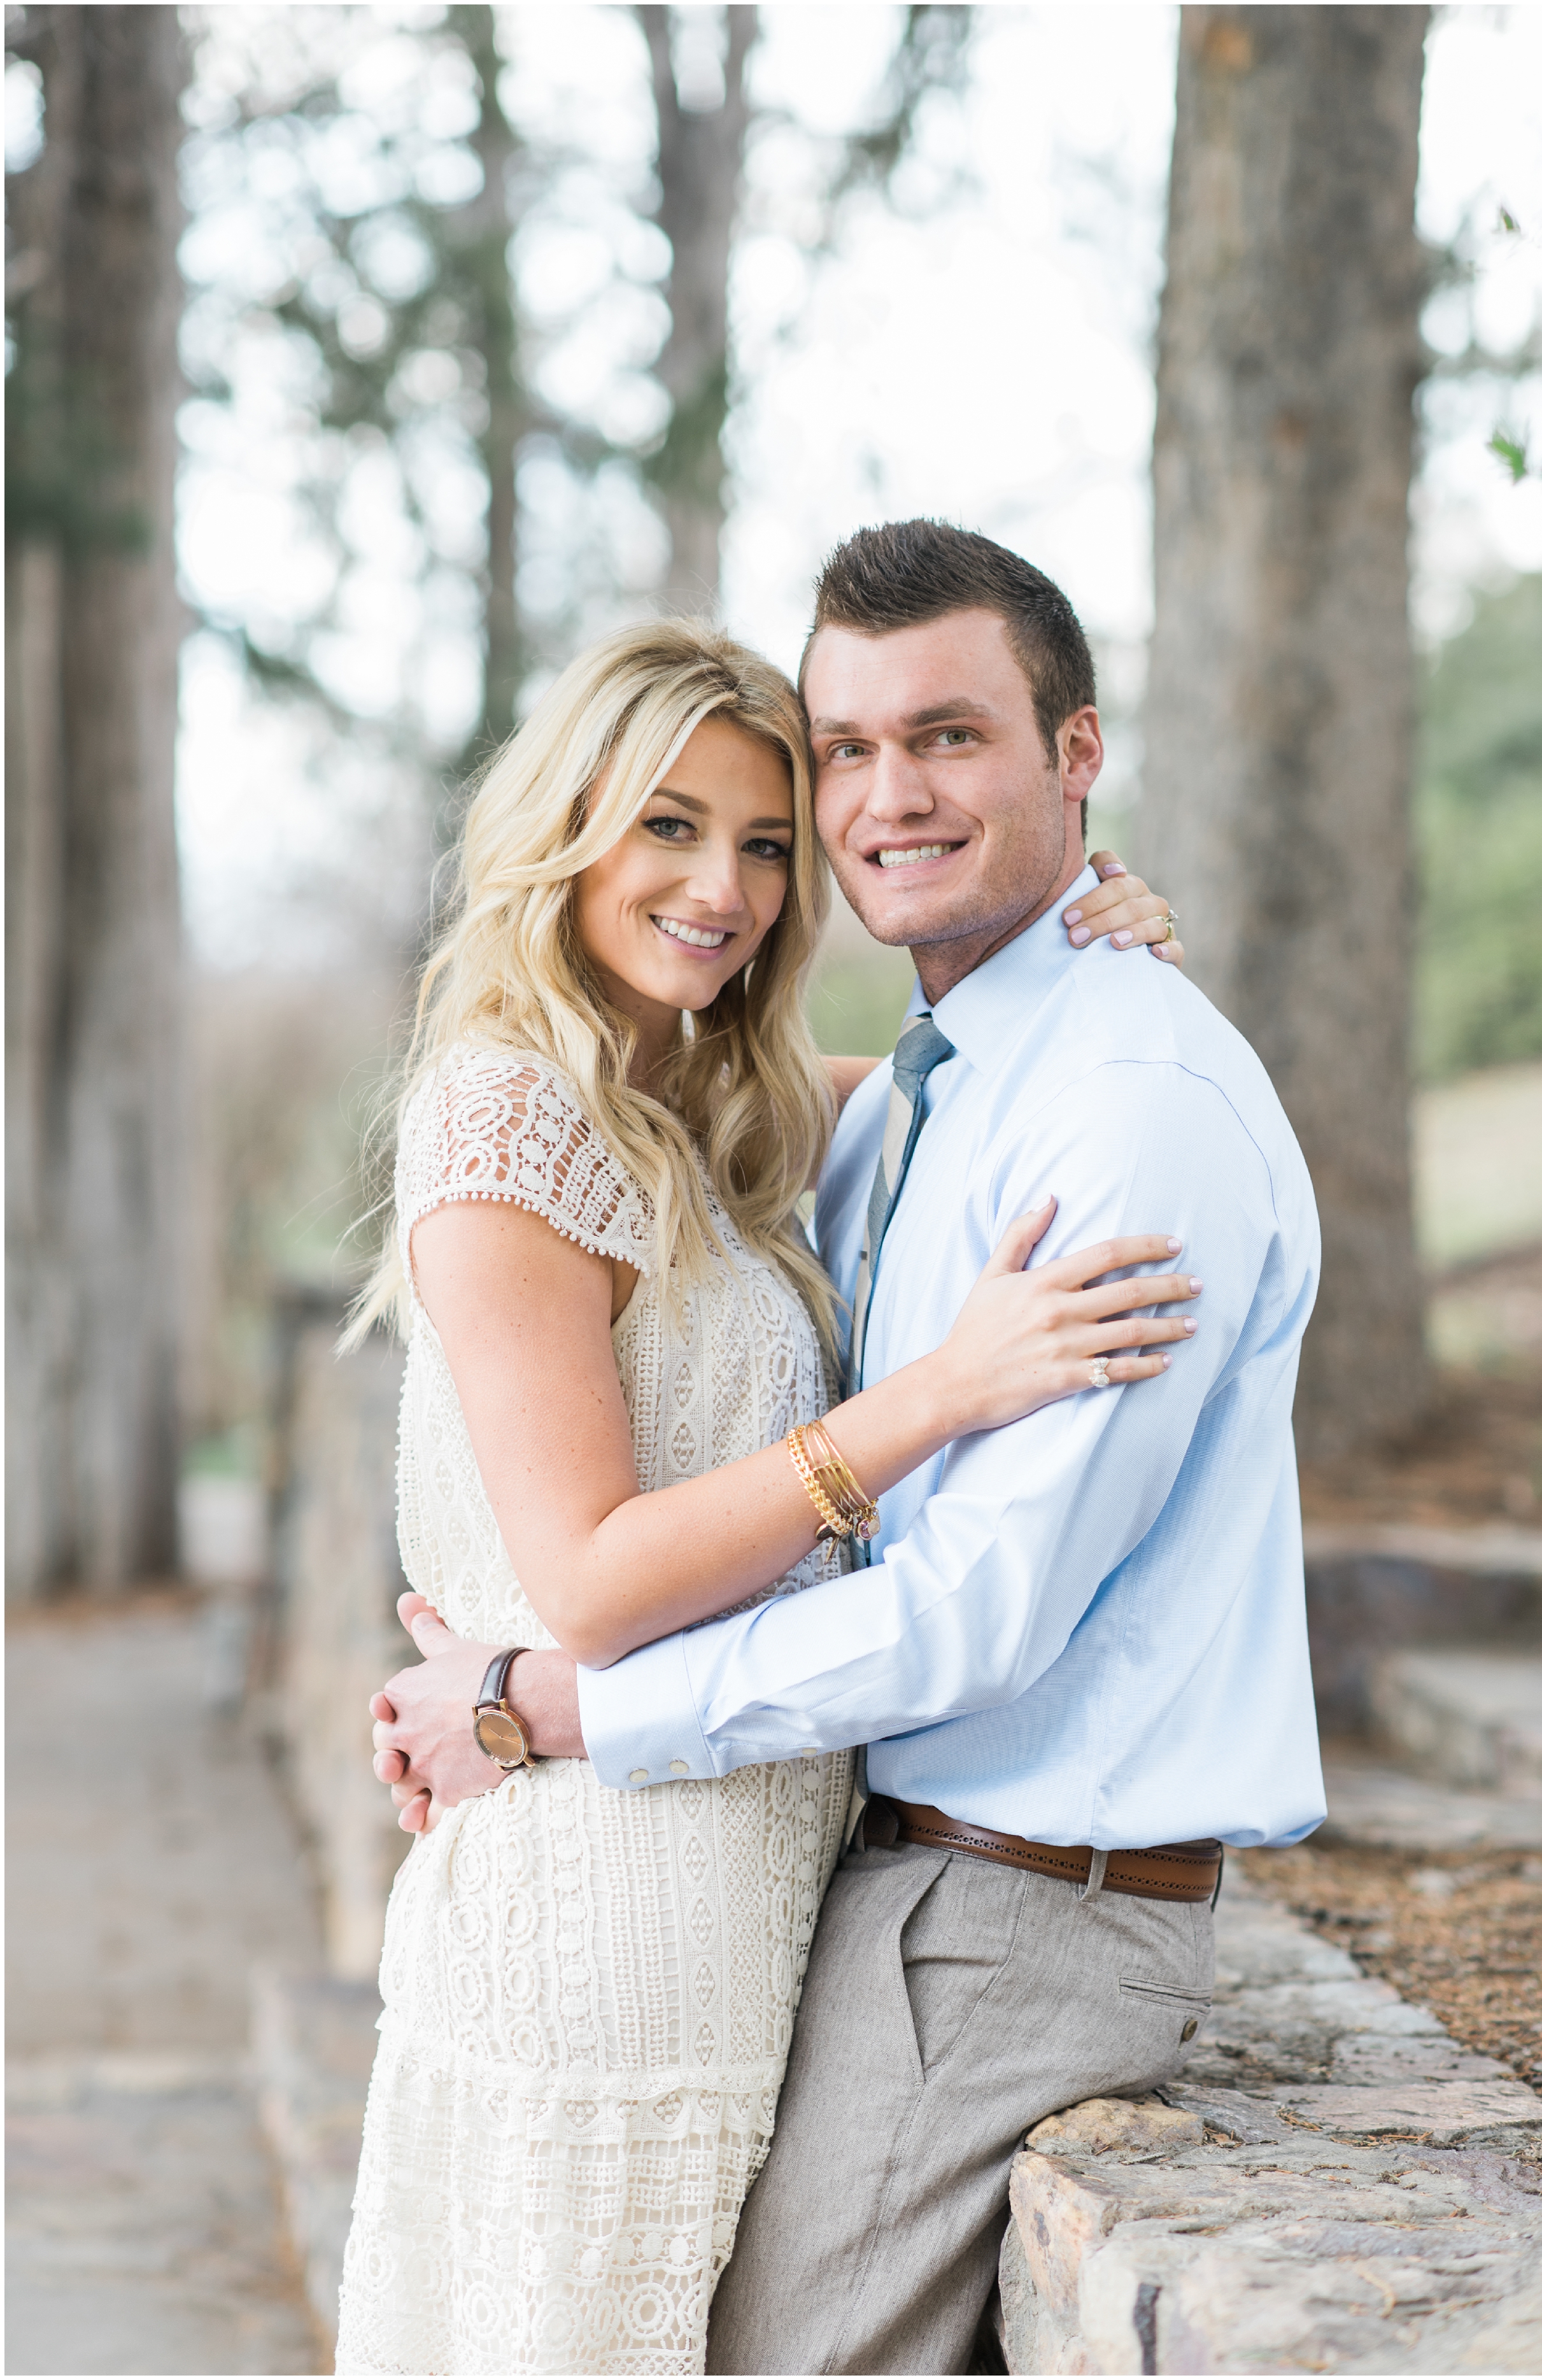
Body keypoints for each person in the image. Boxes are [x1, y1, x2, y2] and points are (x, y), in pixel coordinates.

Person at [380, 521, 1325, 2376]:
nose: (879, 799)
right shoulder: (873, 1097)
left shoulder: (1105, 1107)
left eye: (950, 738)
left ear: (1073, 754)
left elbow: (975, 1615)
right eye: (844, 755)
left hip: (1006, 1899)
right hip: (787, 1878)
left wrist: (554, 1701)